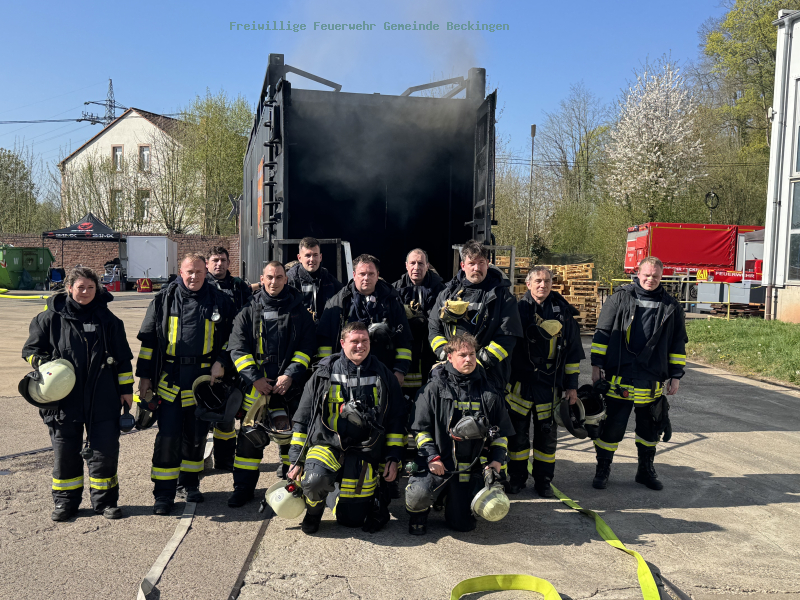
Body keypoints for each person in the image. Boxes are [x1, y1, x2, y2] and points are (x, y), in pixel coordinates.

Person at [21, 267, 134, 521]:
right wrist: (45, 365)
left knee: (104, 452)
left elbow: (123, 360)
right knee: (65, 453)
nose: (85, 292)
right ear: (69, 288)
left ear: (97, 289)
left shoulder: (109, 320)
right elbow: (30, 351)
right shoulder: (48, 319)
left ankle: (106, 502)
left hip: (103, 396)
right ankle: (65, 503)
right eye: (80, 287)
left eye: (91, 287)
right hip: (63, 399)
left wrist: (127, 390)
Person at [136, 253, 237, 515]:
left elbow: (233, 337)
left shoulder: (221, 301)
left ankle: (190, 484)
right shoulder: (163, 299)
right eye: (189, 272)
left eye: (199, 272)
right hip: (170, 378)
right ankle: (163, 493)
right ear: (180, 272)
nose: (194, 276)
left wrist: (222, 361)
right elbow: (149, 341)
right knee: (168, 437)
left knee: (196, 436)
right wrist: (144, 376)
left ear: (206, 273)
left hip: (203, 381)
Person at [287, 322, 407, 534]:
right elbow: (303, 418)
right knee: (314, 481)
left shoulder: (383, 374)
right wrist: (297, 459)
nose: (360, 346)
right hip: (327, 443)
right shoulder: (324, 373)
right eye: (354, 341)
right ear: (342, 343)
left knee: (352, 520)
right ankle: (313, 512)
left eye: (364, 341)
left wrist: (393, 457)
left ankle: (340, 497)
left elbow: (396, 418)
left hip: (365, 449)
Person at [590, 256, 687, 490]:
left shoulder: (671, 306)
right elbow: (602, 333)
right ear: (637, 273)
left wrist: (676, 375)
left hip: (651, 378)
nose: (650, 279)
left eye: (655, 276)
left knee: (650, 428)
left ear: (661, 276)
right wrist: (596, 366)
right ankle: (602, 469)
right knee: (611, 427)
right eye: (646, 275)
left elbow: (677, 344)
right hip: (620, 375)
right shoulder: (619, 298)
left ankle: (645, 471)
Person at [405, 333, 513, 534]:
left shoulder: (489, 392)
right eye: (462, 355)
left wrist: (497, 460)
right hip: (438, 463)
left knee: (463, 525)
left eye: (472, 354)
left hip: (470, 467)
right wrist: (432, 457)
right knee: (418, 495)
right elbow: (420, 429)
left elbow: (501, 433)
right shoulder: (432, 389)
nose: (468, 359)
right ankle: (418, 515)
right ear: (449, 357)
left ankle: (451, 500)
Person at [226, 261, 316, 506]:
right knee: (249, 441)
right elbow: (237, 348)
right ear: (262, 279)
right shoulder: (248, 311)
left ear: (286, 279)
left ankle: (291, 488)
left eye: (278, 277)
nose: (274, 282)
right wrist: (254, 379)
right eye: (269, 277)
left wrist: (290, 375)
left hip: (289, 388)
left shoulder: (299, 311)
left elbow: (307, 347)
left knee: (291, 440)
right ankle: (243, 489)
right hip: (257, 389)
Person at [505, 266, 584, 496]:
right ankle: (517, 479)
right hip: (520, 385)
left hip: (549, 385)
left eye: (547, 281)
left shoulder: (563, 312)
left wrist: (572, 387)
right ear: (528, 284)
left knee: (546, 438)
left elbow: (572, 354)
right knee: (517, 437)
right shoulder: (516, 310)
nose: (543, 285)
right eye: (538, 281)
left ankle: (543, 481)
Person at [429, 240, 523, 392]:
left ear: (488, 264)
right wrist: (447, 355)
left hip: (489, 377)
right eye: (471, 263)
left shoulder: (503, 297)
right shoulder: (447, 294)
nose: (477, 268)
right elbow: (434, 328)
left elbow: (507, 336)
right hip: (451, 373)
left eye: (481, 263)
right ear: (463, 265)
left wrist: (477, 361)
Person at [316, 254, 413, 385]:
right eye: (362, 274)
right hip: (345, 375)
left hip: (383, 372)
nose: (366, 278)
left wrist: (400, 370)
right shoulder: (338, 303)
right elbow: (324, 341)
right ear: (354, 274)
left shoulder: (392, 302)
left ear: (377, 275)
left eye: (371, 274)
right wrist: (325, 370)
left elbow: (404, 339)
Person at [206, 246, 253, 472]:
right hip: (207, 357)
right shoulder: (201, 286)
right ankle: (198, 460)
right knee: (203, 413)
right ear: (207, 263)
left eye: (223, 260)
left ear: (228, 262)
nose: (219, 264)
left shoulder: (239, 287)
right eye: (215, 260)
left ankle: (225, 461)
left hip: (234, 354)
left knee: (228, 413)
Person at [391, 248, 445, 396]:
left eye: (421, 263)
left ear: (427, 266)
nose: (416, 267)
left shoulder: (441, 290)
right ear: (406, 265)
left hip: (431, 351)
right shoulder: (395, 290)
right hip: (406, 352)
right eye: (412, 263)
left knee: (432, 392)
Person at [286, 236, 344, 323]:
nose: (312, 259)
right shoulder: (290, 279)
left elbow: (344, 295)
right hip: (299, 329)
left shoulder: (327, 278)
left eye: (315, 255)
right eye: (308, 255)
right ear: (299, 258)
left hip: (323, 328)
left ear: (320, 257)